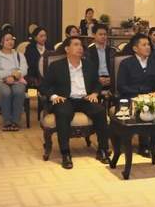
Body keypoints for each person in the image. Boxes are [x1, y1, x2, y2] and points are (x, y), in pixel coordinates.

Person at [40, 36, 110, 169]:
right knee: (63, 113)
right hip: (65, 99)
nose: (80, 48)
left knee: (100, 111)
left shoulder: (89, 65)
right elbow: (43, 86)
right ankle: (65, 153)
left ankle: (102, 150)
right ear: (67, 49)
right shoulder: (56, 66)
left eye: (81, 45)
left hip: (85, 99)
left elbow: (97, 83)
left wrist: (95, 93)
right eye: (76, 45)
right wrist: (53, 96)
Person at [117, 33, 155, 157]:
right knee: (144, 107)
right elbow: (121, 86)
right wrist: (139, 93)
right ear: (135, 48)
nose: (148, 47)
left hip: (151, 97)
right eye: (144, 45)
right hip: (132, 97)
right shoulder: (126, 63)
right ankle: (144, 146)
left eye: (148, 45)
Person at [0, 32, 28, 131]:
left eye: (12, 39)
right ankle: (7, 122)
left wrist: (14, 77)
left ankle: (15, 121)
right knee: (6, 92)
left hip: (16, 80)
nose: (10, 42)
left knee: (19, 91)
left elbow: (24, 70)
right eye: (7, 40)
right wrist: (8, 75)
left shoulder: (19, 55)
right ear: (1, 42)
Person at [86, 24, 115, 90]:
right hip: (94, 80)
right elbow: (87, 69)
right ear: (94, 35)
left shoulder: (112, 51)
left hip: (110, 80)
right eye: (100, 34)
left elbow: (116, 68)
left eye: (105, 34)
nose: (103, 36)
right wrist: (97, 79)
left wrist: (112, 78)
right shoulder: (88, 51)